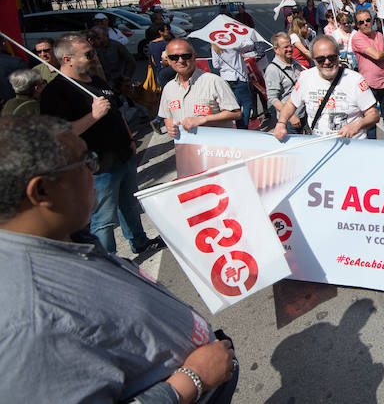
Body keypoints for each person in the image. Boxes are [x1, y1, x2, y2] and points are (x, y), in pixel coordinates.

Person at [0, 116, 238, 403]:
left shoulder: (63, 237)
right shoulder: (31, 322)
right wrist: (190, 381)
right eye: (85, 162)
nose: (94, 170)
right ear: (42, 191)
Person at [39, 33, 161, 255]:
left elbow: (115, 112)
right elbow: (58, 134)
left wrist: (130, 138)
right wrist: (93, 116)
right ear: (67, 59)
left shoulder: (95, 80)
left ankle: (140, 241)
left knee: (130, 206)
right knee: (103, 219)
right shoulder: (56, 92)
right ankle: (109, 259)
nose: (95, 57)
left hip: (123, 155)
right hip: (97, 167)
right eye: (88, 54)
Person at [274, 35, 379, 140]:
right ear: (313, 59)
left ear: (338, 55)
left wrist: (357, 125)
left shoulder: (355, 80)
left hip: (352, 145)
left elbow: (373, 115)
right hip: (320, 144)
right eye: (320, 59)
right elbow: (291, 103)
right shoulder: (305, 77)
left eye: (332, 57)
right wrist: (281, 123)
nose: (327, 62)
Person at [158, 39, 241, 139]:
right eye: (174, 57)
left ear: (194, 57)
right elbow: (167, 116)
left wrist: (204, 119)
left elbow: (236, 113)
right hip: (188, 150)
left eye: (185, 56)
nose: (180, 60)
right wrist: (170, 126)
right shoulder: (168, 88)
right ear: (169, 61)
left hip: (216, 149)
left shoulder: (214, 81)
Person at [351, 9, 384, 140]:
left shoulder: (380, 35)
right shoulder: (357, 38)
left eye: (368, 20)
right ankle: (371, 144)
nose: (365, 23)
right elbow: (377, 55)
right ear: (357, 25)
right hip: (369, 84)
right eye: (361, 22)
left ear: (372, 21)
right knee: (371, 118)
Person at [264, 32, 306, 134]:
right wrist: (290, 116)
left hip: (303, 115)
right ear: (276, 49)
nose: (290, 49)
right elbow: (273, 98)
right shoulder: (273, 70)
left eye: (290, 46)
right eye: (285, 47)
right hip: (290, 121)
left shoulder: (295, 62)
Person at [211, 41, 255, 130]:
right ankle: (242, 127)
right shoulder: (233, 42)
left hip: (225, 79)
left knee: (234, 105)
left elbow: (215, 65)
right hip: (239, 77)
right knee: (246, 103)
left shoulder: (214, 46)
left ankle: (238, 126)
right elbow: (250, 44)